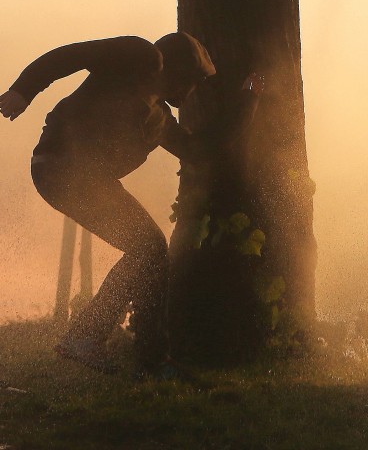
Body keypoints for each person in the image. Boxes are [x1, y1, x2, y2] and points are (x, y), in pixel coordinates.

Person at [0, 33, 260, 377]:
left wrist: (248, 100)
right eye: (194, 80)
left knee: (148, 251)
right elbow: (69, 55)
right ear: (179, 70)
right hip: (61, 166)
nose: (193, 91)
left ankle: (131, 352)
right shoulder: (139, 56)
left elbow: (201, 152)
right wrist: (23, 90)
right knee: (149, 249)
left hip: (85, 180)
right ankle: (115, 347)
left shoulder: (160, 121)